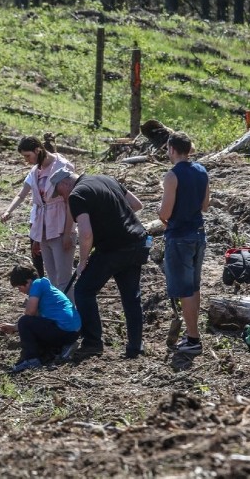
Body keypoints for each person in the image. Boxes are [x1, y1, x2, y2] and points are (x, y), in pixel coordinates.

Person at [50, 168, 149, 359]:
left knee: (83, 291)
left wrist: (82, 261)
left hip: (113, 249)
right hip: (137, 243)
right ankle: (135, 345)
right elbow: (136, 205)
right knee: (131, 297)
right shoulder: (106, 179)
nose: (63, 198)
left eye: (61, 193)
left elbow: (86, 234)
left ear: (64, 184)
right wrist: (110, 221)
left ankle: (93, 342)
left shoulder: (77, 195)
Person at [158, 132, 210, 355]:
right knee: (194, 287)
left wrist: (160, 214)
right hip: (199, 233)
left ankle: (193, 339)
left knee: (185, 290)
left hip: (179, 236)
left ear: (171, 149)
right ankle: (192, 333)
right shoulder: (201, 170)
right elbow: (205, 205)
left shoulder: (172, 175)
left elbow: (165, 212)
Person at [2, 136, 76, 293]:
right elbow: (22, 194)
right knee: (53, 278)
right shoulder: (36, 171)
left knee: (64, 279)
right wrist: (9, 210)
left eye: (28, 156)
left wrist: (68, 232)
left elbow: (70, 201)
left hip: (60, 227)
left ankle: (70, 315)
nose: (26, 160)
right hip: (43, 230)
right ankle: (57, 314)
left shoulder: (62, 166)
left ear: (38, 150)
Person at [0, 265, 81, 372]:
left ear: (28, 282)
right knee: (32, 328)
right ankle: (61, 349)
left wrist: (17, 326)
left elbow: (30, 313)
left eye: (20, 287)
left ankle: (31, 360)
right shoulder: (45, 288)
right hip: (73, 331)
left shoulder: (37, 284)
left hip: (63, 330)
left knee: (24, 321)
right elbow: (37, 320)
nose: (20, 291)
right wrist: (15, 327)